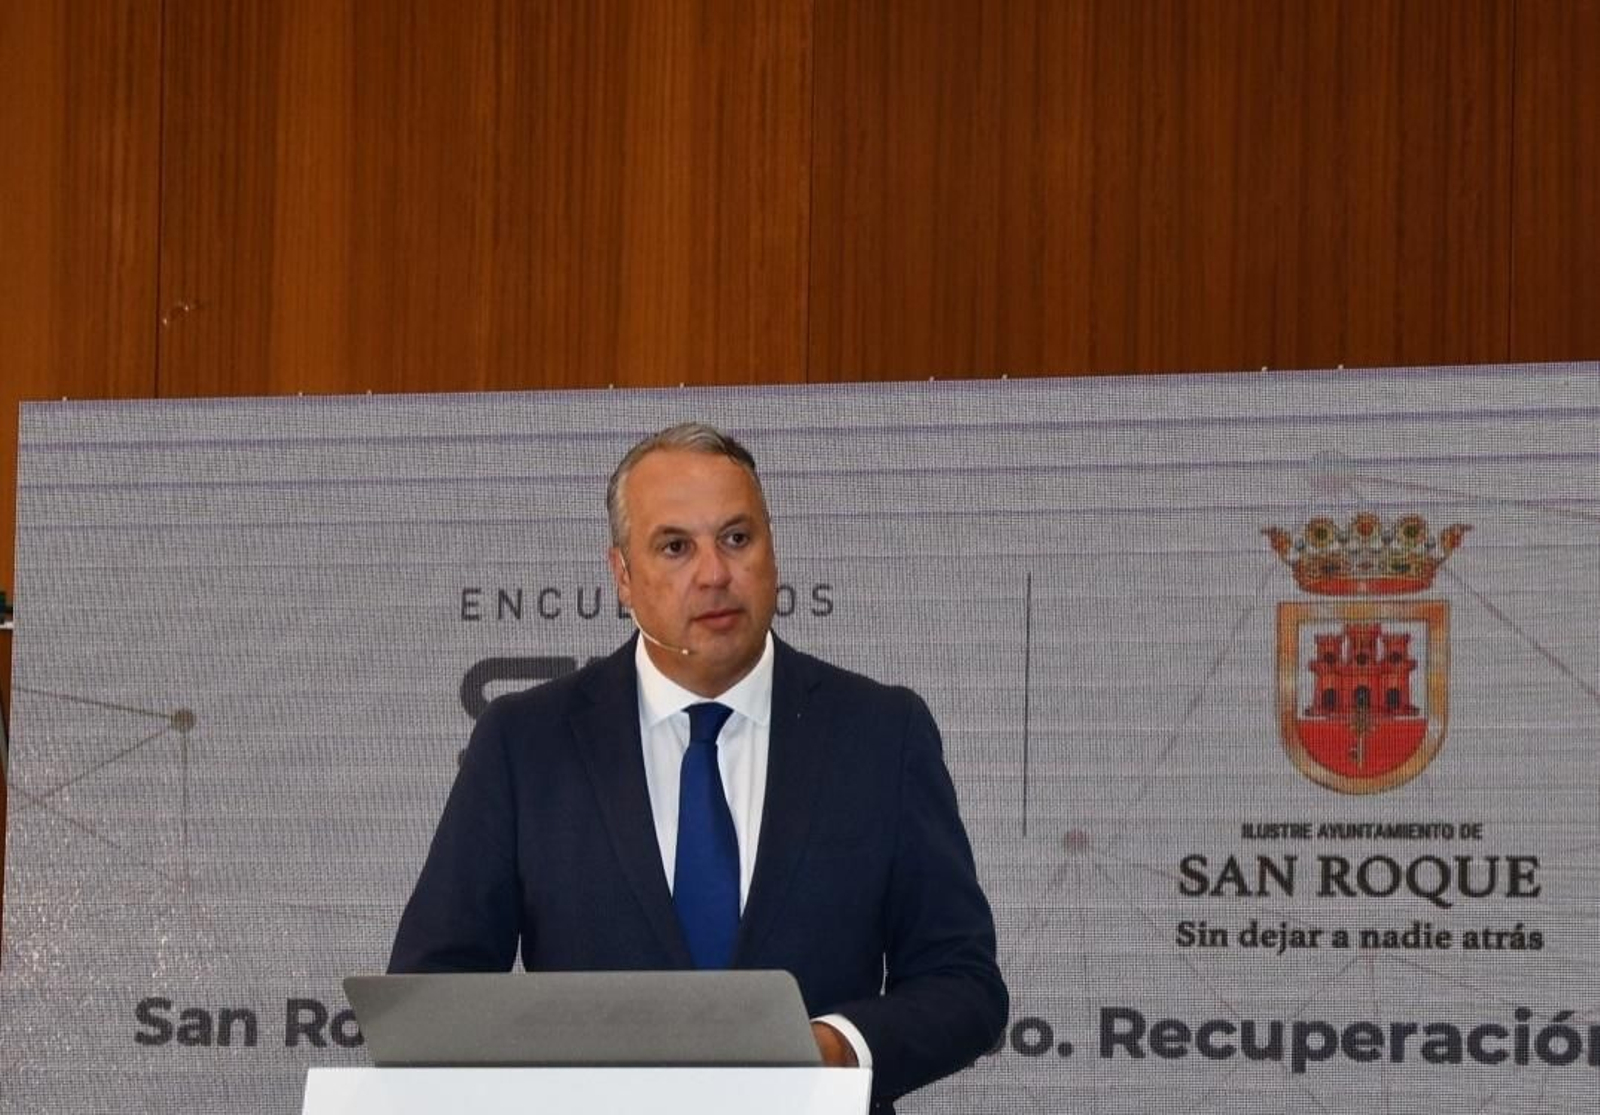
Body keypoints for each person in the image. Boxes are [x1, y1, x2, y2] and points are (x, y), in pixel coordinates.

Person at [389, 422, 1006, 1110]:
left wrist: (836, 1047)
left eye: (737, 538)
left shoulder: (882, 733)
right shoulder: (524, 741)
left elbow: (964, 984)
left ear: (773, 550)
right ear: (623, 575)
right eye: (676, 546)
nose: (714, 572)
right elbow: (434, 987)